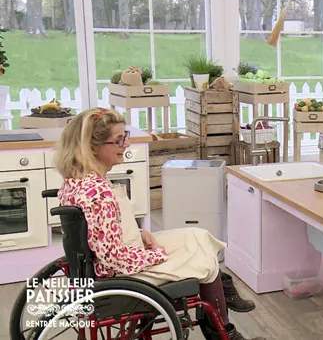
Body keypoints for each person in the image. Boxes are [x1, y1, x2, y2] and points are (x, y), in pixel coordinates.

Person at [55, 107, 264, 340]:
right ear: (92, 147)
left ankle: (223, 293)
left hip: (107, 262)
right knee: (204, 260)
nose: (125, 145)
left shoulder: (76, 181)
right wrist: (157, 255)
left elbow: (100, 233)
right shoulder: (99, 193)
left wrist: (139, 232)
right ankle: (222, 328)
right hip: (119, 275)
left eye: (125, 137)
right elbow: (115, 259)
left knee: (198, 235)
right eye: (118, 140)